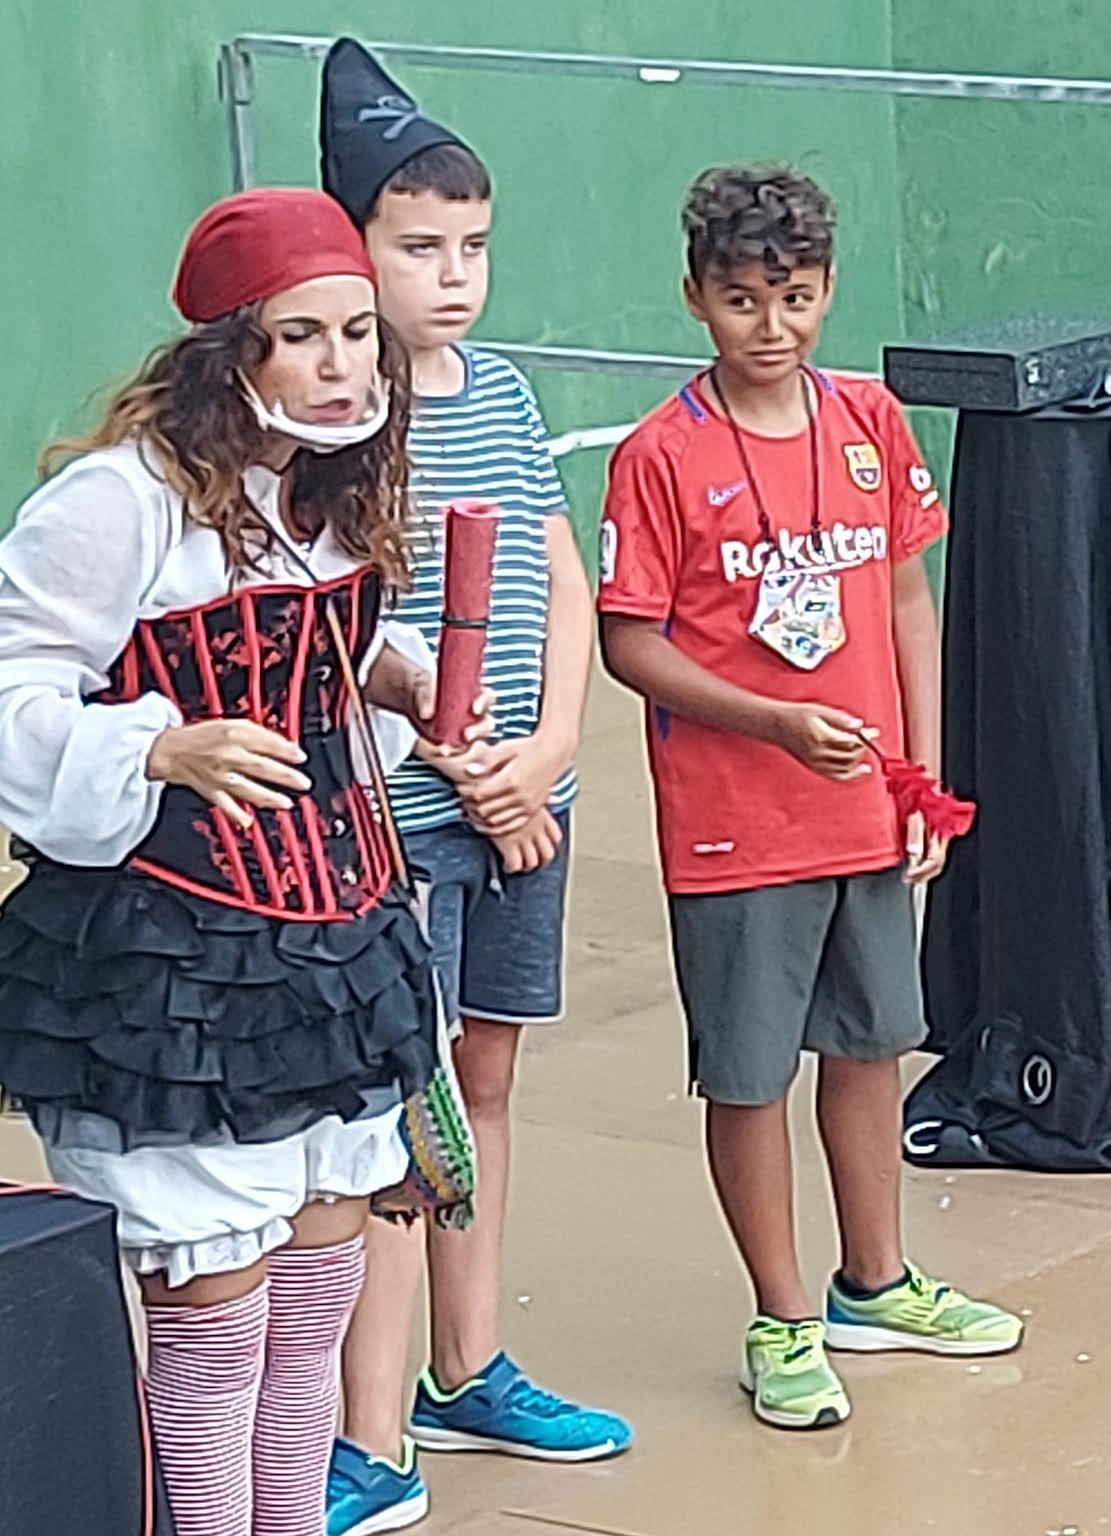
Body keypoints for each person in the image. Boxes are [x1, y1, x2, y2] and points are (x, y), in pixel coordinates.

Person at [0, 187, 482, 1536]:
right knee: (215, 1332)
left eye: (357, 335)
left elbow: (310, 653)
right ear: (231, 350)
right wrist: (159, 748)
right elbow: (13, 685)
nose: (342, 366)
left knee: (315, 1307)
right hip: (176, 958)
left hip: (333, 946)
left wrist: (396, 679)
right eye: (304, 336)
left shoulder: (326, 486)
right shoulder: (120, 502)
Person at [597, 164, 1024, 1430]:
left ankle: (873, 1284)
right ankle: (780, 1318)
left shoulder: (869, 422)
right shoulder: (660, 456)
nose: (770, 324)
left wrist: (922, 778)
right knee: (748, 1074)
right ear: (694, 297)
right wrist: (772, 722)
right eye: (741, 299)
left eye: (793, 296)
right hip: (736, 827)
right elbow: (630, 642)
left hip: (866, 815)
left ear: (828, 289)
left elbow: (904, 599)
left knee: (872, 1042)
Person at [314, 39, 629, 1536]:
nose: (452, 278)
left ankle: (469, 1366)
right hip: (405, 817)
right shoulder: (336, 424)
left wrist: (549, 753)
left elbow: (560, 579)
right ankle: (368, 1441)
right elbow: (344, 629)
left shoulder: (499, 391)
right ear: (354, 245)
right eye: (418, 248)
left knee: (486, 1085)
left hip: (521, 809)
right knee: (401, 1114)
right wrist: (465, 766)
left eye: (473, 248)